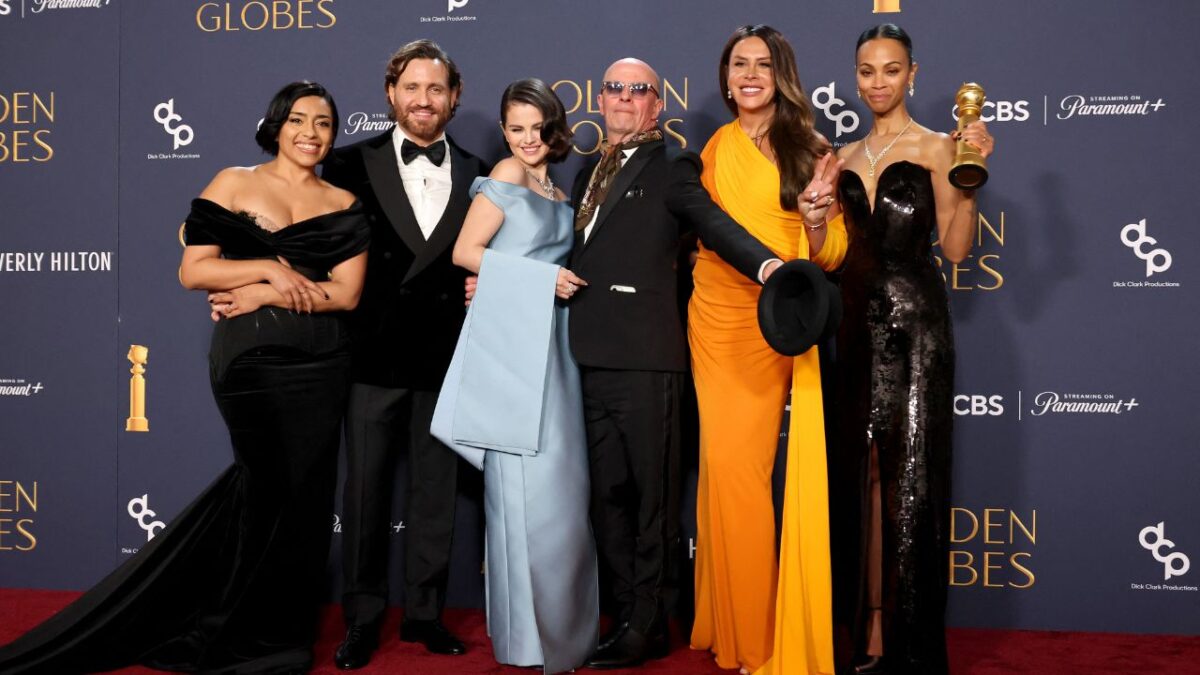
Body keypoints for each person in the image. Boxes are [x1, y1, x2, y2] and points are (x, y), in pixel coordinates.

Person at [0, 81, 369, 674]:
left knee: (304, 498)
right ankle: (234, 630)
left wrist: (259, 292)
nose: (310, 132)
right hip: (250, 362)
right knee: (269, 484)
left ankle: (280, 637)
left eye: (323, 122)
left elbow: (347, 294)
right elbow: (194, 270)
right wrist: (271, 273)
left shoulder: (345, 203)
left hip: (323, 362)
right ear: (275, 124)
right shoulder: (232, 181)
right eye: (298, 119)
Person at [566, 57, 785, 670]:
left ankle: (649, 623)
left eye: (640, 91)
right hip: (586, 356)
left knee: (652, 501)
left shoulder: (673, 165)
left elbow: (712, 222)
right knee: (606, 497)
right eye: (614, 88)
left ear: (656, 106)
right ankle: (619, 614)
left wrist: (767, 266)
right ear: (600, 99)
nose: (625, 99)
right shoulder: (586, 171)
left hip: (648, 359)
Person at [829, 23, 994, 675]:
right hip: (850, 327)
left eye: (890, 70)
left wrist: (972, 179)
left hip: (917, 328)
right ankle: (867, 636)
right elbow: (830, 253)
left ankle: (912, 645)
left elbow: (955, 250)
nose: (877, 82)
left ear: (913, 75)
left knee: (912, 484)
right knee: (860, 481)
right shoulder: (837, 157)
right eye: (867, 70)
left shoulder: (938, 147)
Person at [320, 40, 489, 670]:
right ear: (391, 94)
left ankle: (424, 614)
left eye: (436, 89)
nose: (424, 100)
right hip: (370, 359)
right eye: (412, 88)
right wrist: (246, 288)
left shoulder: (481, 172)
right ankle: (362, 618)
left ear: (454, 97)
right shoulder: (346, 166)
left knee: (434, 496)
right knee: (363, 494)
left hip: (447, 362)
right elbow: (295, 234)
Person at [688, 24, 847, 675]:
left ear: (780, 74)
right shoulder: (713, 148)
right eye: (738, 64)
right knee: (722, 473)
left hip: (775, 326)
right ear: (726, 79)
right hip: (712, 319)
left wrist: (814, 217)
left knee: (743, 474)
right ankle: (724, 619)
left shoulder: (810, 147)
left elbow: (832, 253)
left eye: (762, 63)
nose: (749, 74)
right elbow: (704, 235)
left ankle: (755, 640)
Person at [431, 78, 599, 674]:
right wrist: (538, 280)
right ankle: (525, 641)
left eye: (536, 128)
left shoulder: (557, 186)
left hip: (555, 346)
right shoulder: (504, 173)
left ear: (553, 128)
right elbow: (465, 253)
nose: (526, 140)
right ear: (504, 131)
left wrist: (535, 282)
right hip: (512, 345)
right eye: (516, 128)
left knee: (559, 493)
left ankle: (560, 630)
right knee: (519, 495)